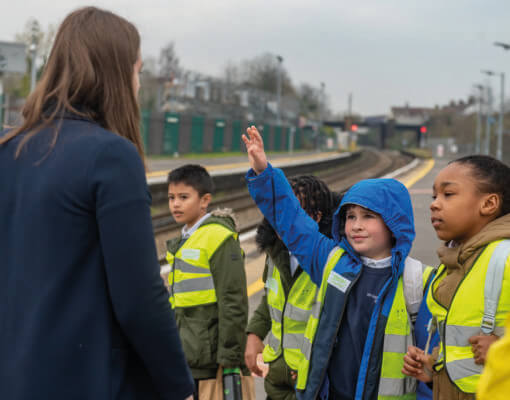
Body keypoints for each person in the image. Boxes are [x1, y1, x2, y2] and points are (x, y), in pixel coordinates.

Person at [0, 6, 195, 400]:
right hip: (84, 381)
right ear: (117, 73)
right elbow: (139, 298)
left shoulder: (8, 148)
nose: (138, 85)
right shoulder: (111, 157)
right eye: (137, 71)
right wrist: (180, 386)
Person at [242, 126, 425, 400]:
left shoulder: (417, 281)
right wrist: (264, 172)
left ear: (394, 222)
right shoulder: (331, 261)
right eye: (350, 216)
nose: (356, 226)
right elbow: (292, 220)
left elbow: (431, 358)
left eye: (368, 216)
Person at [402, 155, 510, 400]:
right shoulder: (454, 262)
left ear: (489, 204)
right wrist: (436, 367)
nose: (434, 204)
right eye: (434, 196)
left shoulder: (505, 257)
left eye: (448, 195)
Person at [245, 175, 340, 400]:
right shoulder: (274, 254)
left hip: (312, 384)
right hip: (277, 381)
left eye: (295, 213)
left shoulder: (328, 259)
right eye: (280, 213)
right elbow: (271, 300)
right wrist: (254, 333)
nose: (284, 221)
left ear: (316, 218)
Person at [165, 164, 250, 399]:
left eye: (184, 197)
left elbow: (233, 300)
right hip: (188, 351)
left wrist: (230, 359)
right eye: (171, 197)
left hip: (211, 357)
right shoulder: (185, 240)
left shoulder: (218, 237)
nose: (175, 204)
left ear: (205, 200)